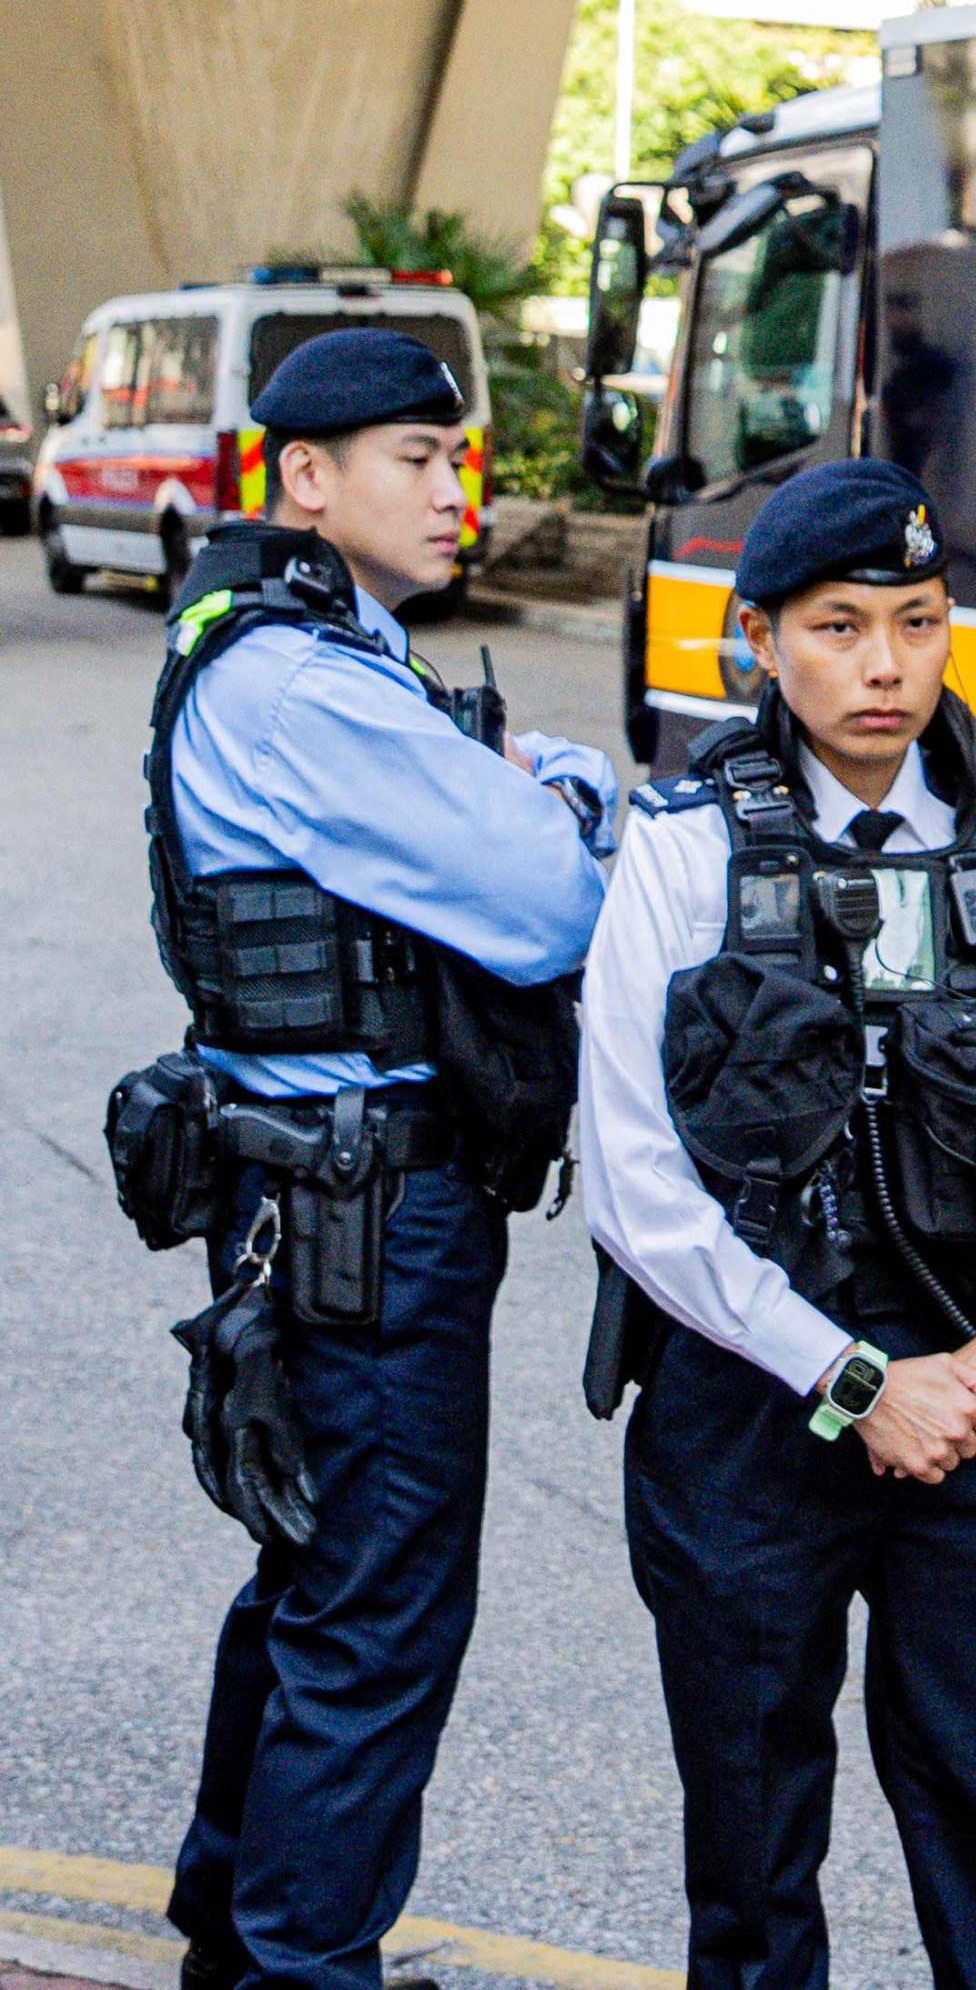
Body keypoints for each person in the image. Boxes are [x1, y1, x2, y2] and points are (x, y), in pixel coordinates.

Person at [575, 457, 976, 1990]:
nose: (884, 667)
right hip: (748, 1416)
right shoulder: (682, 843)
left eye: (917, 623)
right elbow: (636, 1183)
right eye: (840, 627)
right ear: (760, 638)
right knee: (755, 1871)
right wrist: (854, 1381)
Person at [137, 326, 612, 1990]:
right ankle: (298, 1964)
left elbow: (493, 813)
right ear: (308, 478)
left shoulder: (308, 645)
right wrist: (555, 799)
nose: (449, 481)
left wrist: (511, 788)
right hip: (367, 1213)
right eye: (412, 456)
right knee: (377, 1615)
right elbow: (554, 893)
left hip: (315, 1194)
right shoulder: (305, 681)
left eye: (454, 450)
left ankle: (239, 1939)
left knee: (313, 1585)